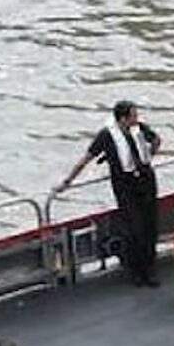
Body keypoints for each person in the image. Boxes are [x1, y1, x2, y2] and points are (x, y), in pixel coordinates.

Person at [55, 100, 163, 286]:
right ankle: (136, 271)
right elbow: (86, 159)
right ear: (123, 118)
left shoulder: (140, 128)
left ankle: (149, 269)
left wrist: (149, 155)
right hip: (125, 185)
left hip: (145, 181)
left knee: (149, 226)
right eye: (133, 116)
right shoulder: (106, 136)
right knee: (133, 229)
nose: (137, 119)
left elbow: (156, 140)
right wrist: (67, 182)